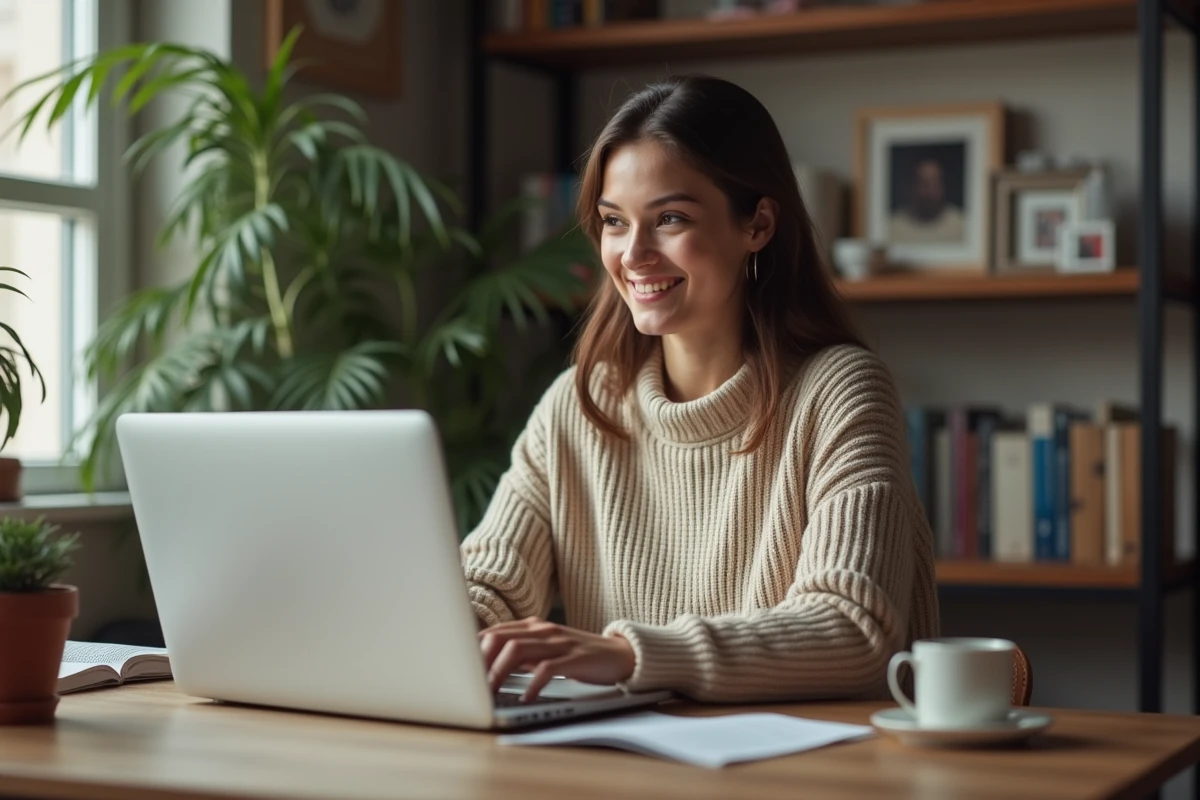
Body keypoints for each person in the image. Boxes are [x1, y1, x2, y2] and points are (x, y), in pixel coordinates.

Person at [461, 74, 939, 705]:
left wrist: (632, 654)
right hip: (628, 762)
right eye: (613, 221)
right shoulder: (578, 405)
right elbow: (489, 586)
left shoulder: (841, 392)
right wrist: (455, 624)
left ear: (758, 225)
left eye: (670, 218)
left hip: (807, 768)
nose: (633, 254)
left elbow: (853, 630)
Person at [888, 156, 965, 245]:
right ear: (911, 187)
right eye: (924, 184)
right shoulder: (893, 226)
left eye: (935, 183)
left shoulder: (961, 225)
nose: (930, 191)